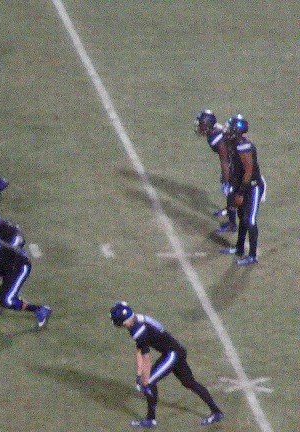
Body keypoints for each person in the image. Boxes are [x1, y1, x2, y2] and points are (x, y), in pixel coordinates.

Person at [109, 301, 224, 428]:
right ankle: (216, 412)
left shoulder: (138, 330)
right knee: (189, 382)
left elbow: (146, 357)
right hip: (175, 350)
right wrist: (139, 372)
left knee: (149, 382)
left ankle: (150, 420)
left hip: (172, 354)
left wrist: (145, 380)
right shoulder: (138, 319)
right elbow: (139, 349)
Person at [219, 114, 265, 266]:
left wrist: (240, 192)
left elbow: (248, 171)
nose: (227, 130)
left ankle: (252, 256)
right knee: (242, 217)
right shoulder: (234, 143)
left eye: (230, 128)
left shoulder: (244, 146)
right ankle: (239, 248)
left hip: (252, 186)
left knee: (250, 220)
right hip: (243, 185)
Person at [195, 110, 237, 233]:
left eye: (201, 124)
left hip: (236, 163)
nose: (199, 126)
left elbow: (225, 160)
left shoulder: (216, 138)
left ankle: (232, 223)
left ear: (207, 125)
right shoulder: (214, 130)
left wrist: (227, 180)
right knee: (228, 187)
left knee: (230, 190)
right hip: (233, 159)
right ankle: (229, 209)